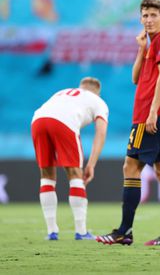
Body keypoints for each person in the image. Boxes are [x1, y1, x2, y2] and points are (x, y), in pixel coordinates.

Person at [96, 0, 160, 246]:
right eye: (145, 15)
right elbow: (136, 78)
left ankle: (124, 230)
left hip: (151, 116)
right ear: (140, 19)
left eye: (153, 15)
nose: (149, 19)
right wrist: (141, 49)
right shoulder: (152, 45)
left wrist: (153, 111)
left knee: (130, 168)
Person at [31, 77, 108, 240]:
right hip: (64, 122)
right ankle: (81, 232)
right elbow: (100, 133)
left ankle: (51, 231)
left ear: (80, 87)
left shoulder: (62, 92)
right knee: (75, 174)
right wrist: (91, 164)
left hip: (38, 119)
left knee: (46, 175)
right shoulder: (98, 101)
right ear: (98, 93)